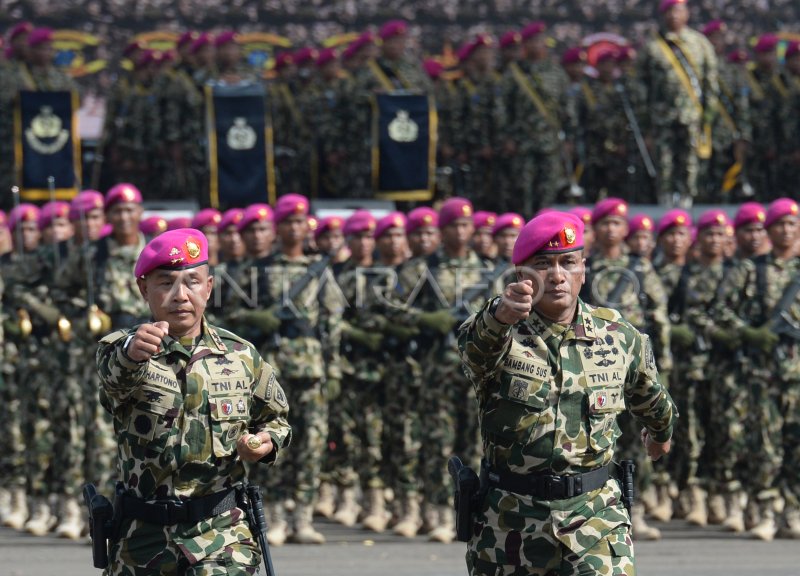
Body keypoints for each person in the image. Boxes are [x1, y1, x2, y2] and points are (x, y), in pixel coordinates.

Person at [458, 210, 676, 576]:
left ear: (583, 269)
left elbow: (650, 393)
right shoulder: (499, 332)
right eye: (543, 264)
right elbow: (473, 351)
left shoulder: (616, 333)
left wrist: (660, 433)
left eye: (568, 263)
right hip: (510, 524)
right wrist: (500, 315)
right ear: (521, 275)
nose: (557, 276)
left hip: (594, 518)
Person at [96, 228, 292, 575]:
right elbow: (113, 381)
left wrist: (264, 442)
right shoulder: (124, 350)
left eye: (192, 282)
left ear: (209, 287)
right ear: (144, 289)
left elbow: (277, 420)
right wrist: (131, 354)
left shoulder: (241, 355)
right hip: (144, 537)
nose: (180, 295)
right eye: (166, 283)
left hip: (221, 532)